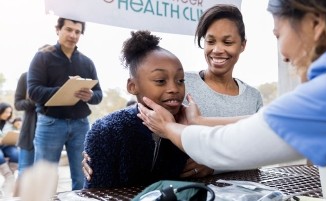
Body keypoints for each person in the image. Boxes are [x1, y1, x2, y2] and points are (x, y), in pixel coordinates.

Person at [138, 0, 326, 199]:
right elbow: (265, 124)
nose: (283, 54)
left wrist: (168, 127)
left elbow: (226, 145)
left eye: (278, 35)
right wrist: (199, 123)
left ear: (315, 24)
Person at [82, 4, 263, 179]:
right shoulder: (179, 85)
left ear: (242, 45)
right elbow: (136, 118)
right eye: (210, 41)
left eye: (228, 42)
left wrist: (214, 164)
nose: (217, 50)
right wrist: (100, 149)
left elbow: (260, 151)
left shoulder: (253, 97)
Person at [83, 30, 188, 188]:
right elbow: (97, 193)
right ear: (132, 86)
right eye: (160, 80)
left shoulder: (186, 128)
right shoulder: (107, 131)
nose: (174, 88)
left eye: (180, 80)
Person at [27, 17, 103, 190]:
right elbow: (33, 91)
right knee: (44, 179)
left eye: (77, 32)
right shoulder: (42, 57)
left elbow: (99, 95)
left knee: (83, 176)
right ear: (58, 30)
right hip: (50, 123)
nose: (73, 35)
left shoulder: (87, 62)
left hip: (81, 125)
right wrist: (64, 90)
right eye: (68, 29)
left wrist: (90, 95)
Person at [14, 72, 36, 176]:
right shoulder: (26, 76)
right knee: (25, 171)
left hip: (53, 133)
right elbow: (17, 104)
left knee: (46, 175)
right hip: (29, 132)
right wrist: (34, 101)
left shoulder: (55, 76)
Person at [0, 103, 18, 196]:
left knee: (15, 154)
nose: (8, 114)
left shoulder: (9, 123)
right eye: (6, 112)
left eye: (10, 112)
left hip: (6, 144)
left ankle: (9, 180)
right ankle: (9, 177)